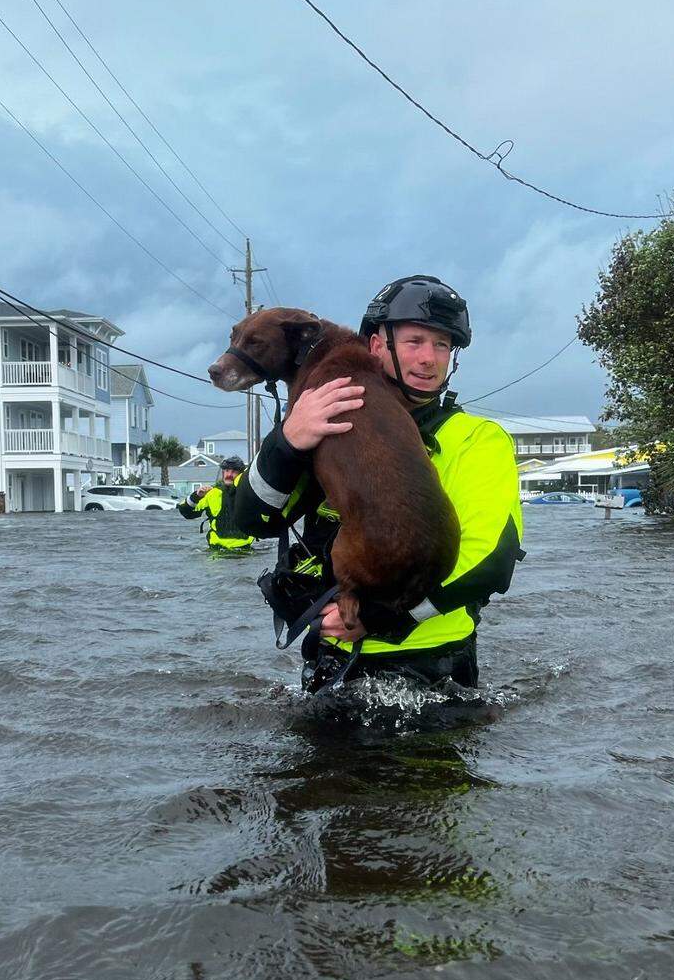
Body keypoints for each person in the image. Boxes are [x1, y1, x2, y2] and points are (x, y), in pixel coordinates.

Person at [233, 275, 524, 691]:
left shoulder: (477, 438)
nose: (429, 358)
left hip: (430, 666)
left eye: (442, 345)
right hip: (329, 658)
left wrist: (382, 617)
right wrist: (287, 441)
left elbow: (490, 561)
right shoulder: (322, 421)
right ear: (375, 345)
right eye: (414, 341)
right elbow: (253, 520)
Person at [177, 454, 255, 551]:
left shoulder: (250, 494)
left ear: (241, 475)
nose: (229, 475)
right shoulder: (212, 493)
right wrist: (196, 496)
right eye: (226, 471)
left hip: (245, 551)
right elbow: (186, 512)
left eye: (234, 471)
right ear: (222, 473)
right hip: (216, 552)